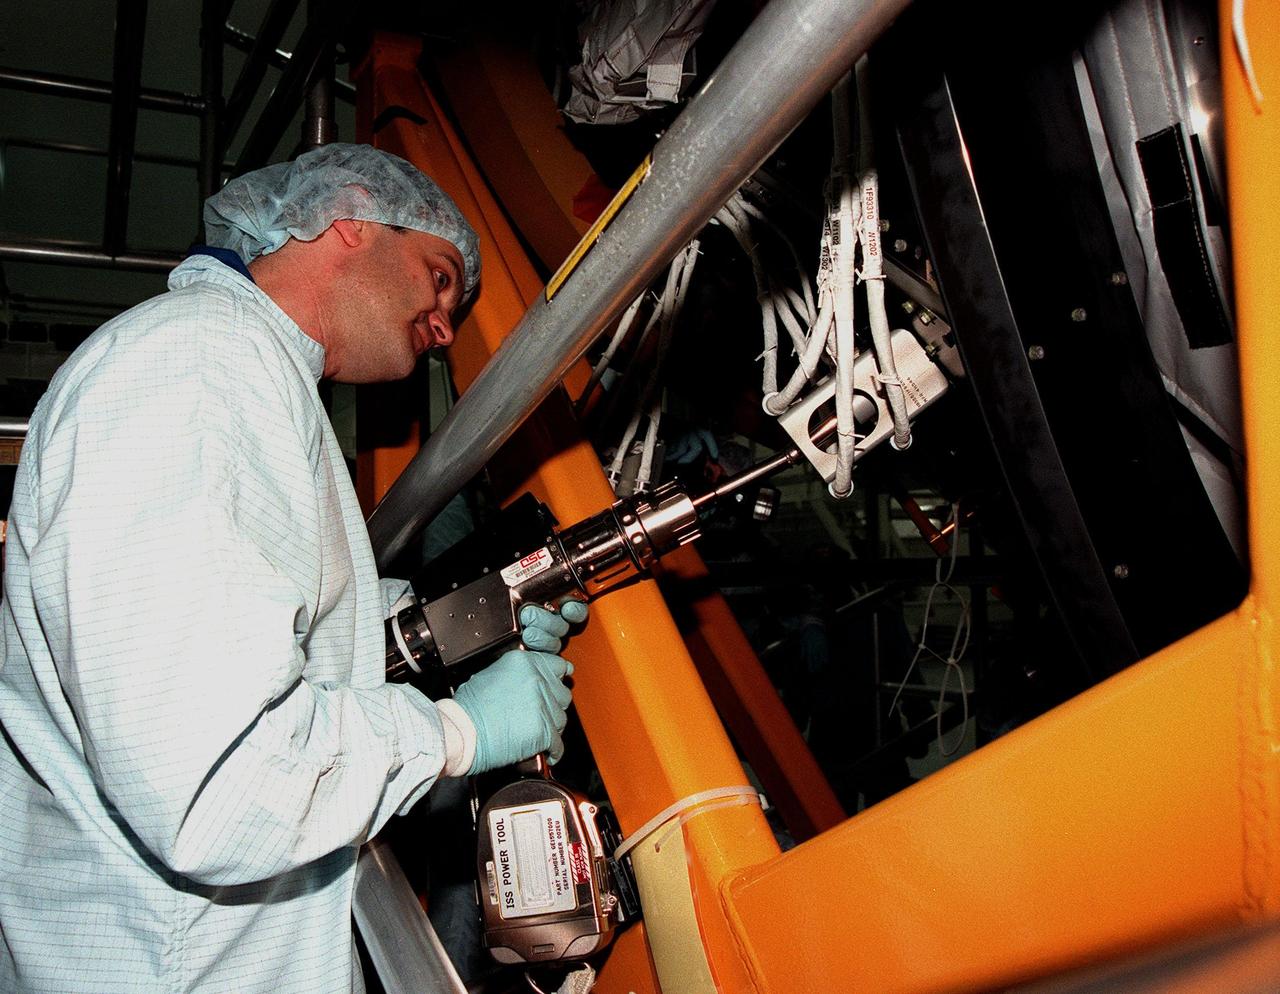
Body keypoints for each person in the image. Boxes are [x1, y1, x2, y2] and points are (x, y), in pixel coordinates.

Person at [0, 143, 586, 993]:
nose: (445, 327)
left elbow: (294, 630)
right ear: (349, 217)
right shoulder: (200, 368)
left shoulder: (242, 376)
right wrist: (458, 734)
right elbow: (220, 783)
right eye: (440, 277)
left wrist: (473, 620)